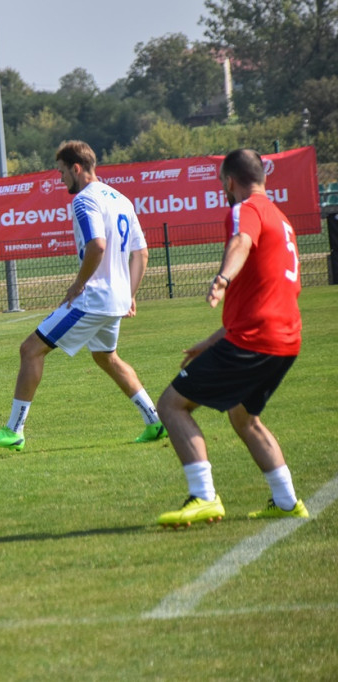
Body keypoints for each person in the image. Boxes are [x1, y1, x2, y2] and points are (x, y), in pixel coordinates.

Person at [0, 140, 166, 451]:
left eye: (62, 172)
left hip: (94, 298)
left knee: (30, 350)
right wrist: (129, 295)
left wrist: (78, 285)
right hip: (114, 298)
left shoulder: (84, 200)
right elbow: (141, 253)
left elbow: (97, 245)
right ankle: (155, 421)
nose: (60, 179)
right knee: (106, 357)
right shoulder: (122, 199)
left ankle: (14, 430)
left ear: (76, 168)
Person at [155, 148, 307, 528]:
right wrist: (214, 339)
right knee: (244, 417)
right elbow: (270, 292)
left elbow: (240, 242)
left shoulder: (246, 210)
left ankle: (203, 496)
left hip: (255, 339)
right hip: (285, 338)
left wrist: (222, 278)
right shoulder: (282, 219)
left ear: (230, 181)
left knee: (172, 405)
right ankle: (288, 502)